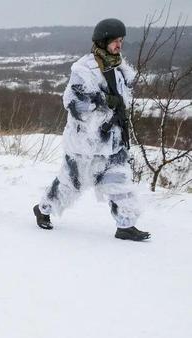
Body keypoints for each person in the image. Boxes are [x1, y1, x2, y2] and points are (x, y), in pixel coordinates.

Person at [33, 18, 150, 241]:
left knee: (119, 181)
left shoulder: (118, 68)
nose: (119, 45)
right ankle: (44, 209)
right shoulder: (83, 69)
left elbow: (122, 103)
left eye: (121, 40)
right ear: (102, 41)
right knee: (71, 184)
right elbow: (75, 104)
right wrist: (105, 100)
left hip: (112, 141)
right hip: (84, 143)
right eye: (115, 41)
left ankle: (125, 225)